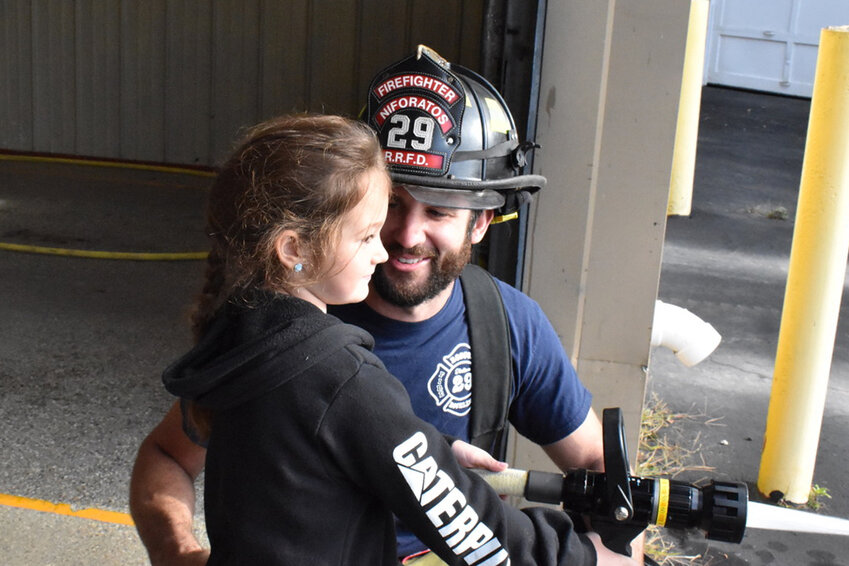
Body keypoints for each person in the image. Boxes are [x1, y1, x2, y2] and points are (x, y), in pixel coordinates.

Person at [130, 48, 641, 564]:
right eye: (389, 208)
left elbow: (602, 471)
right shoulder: (309, 342)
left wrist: (625, 547)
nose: (402, 237)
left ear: (481, 223)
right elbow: (168, 454)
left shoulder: (506, 325)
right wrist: (176, 551)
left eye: (438, 211)